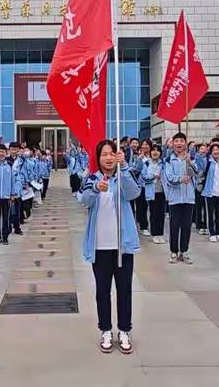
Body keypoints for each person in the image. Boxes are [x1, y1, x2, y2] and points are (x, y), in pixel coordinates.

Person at [80, 139, 140, 355]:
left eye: (111, 154)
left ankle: (124, 330)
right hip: (99, 246)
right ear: (98, 158)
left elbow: (134, 194)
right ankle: (105, 329)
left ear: (117, 156)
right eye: (104, 154)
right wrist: (96, 188)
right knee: (102, 291)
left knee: (124, 290)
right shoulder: (92, 179)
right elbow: (84, 200)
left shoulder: (124, 176)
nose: (108, 158)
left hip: (122, 247)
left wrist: (123, 168)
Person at [165, 132, 198, 264]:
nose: (179, 143)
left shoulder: (190, 159)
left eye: (181, 141)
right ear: (172, 144)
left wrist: (190, 163)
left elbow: (197, 174)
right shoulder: (169, 160)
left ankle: (183, 251)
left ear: (185, 143)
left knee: (186, 226)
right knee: (174, 226)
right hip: (175, 199)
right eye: (176, 141)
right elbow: (169, 177)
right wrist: (180, 179)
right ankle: (173, 251)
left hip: (189, 198)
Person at [201, 144, 219, 242]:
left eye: (218, 149)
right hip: (210, 192)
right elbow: (199, 164)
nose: (216, 151)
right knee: (210, 213)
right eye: (214, 150)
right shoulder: (207, 161)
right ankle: (211, 232)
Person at [142, 145, 167, 244]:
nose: (155, 152)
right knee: (154, 213)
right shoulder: (147, 163)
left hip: (162, 191)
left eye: (157, 151)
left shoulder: (163, 163)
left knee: (161, 213)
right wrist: (153, 176)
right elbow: (143, 177)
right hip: (152, 191)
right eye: (153, 150)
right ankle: (155, 234)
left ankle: (160, 234)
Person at [0, 144, 15, 245]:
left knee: (6, 217)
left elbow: (12, 180)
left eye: (3, 152)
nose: (1, 153)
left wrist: (12, 194)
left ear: (6, 153)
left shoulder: (9, 165)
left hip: (6, 196)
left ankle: (5, 237)